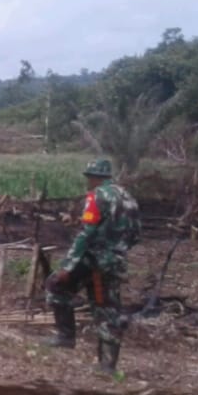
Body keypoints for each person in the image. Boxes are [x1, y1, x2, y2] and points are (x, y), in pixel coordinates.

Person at [43, 159, 140, 376]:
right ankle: (108, 366)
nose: (87, 181)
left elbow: (86, 233)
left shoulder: (96, 196)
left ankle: (65, 336)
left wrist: (68, 266)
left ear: (95, 177)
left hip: (92, 259)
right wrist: (117, 250)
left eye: (89, 177)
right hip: (115, 261)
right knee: (108, 309)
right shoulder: (128, 198)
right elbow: (136, 234)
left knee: (56, 285)